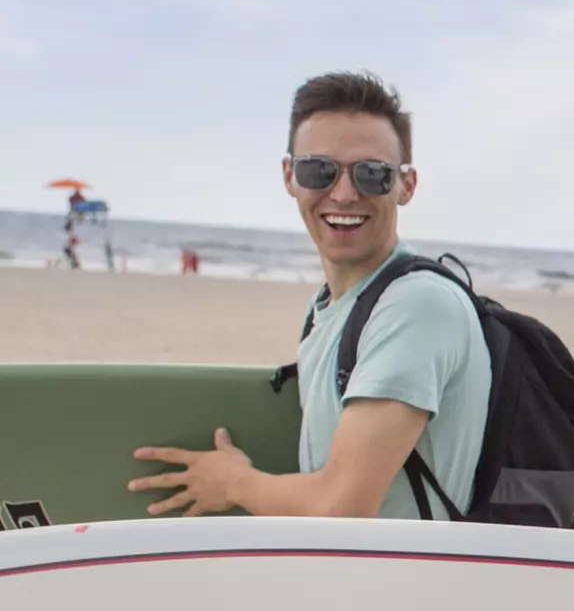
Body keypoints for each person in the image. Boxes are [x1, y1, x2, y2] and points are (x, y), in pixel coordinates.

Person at [129, 72, 491, 519]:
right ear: (289, 176)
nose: (343, 193)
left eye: (372, 174)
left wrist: (233, 483)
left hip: (398, 586)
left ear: (406, 186)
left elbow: (340, 507)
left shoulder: (417, 306)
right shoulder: (332, 307)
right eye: (318, 170)